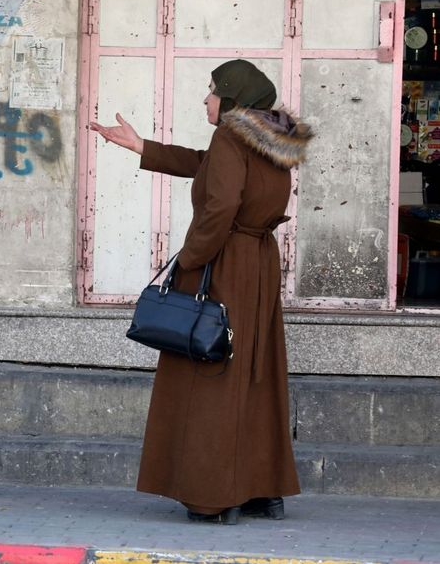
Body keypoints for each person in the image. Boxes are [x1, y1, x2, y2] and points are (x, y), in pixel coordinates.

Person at [89, 59, 312, 524]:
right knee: (254, 374)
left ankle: (215, 496)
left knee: (210, 375)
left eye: (212, 91)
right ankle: (261, 491)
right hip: (258, 262)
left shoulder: (230, 135)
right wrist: (141, 146)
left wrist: (190, 259)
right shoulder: (264, 138)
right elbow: (207, 168)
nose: (205, 99)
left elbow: (221, 203)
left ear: (231, 99)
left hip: (226, 262)